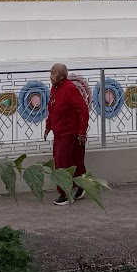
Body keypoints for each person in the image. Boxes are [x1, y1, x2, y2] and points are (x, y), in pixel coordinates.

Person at [45, 61, 88, 204]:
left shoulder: (69, 89)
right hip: (60, 133)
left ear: (63, 76)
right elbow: (52, 109)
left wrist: (82, 132)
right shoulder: (55, 88)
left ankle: (64, 194)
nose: (51, 76)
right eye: (50, 72)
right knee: (70, 162)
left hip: (71, 133)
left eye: (54, 73)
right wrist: (48, 126)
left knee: (64, 165)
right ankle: (82, 186)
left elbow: (83, 110)